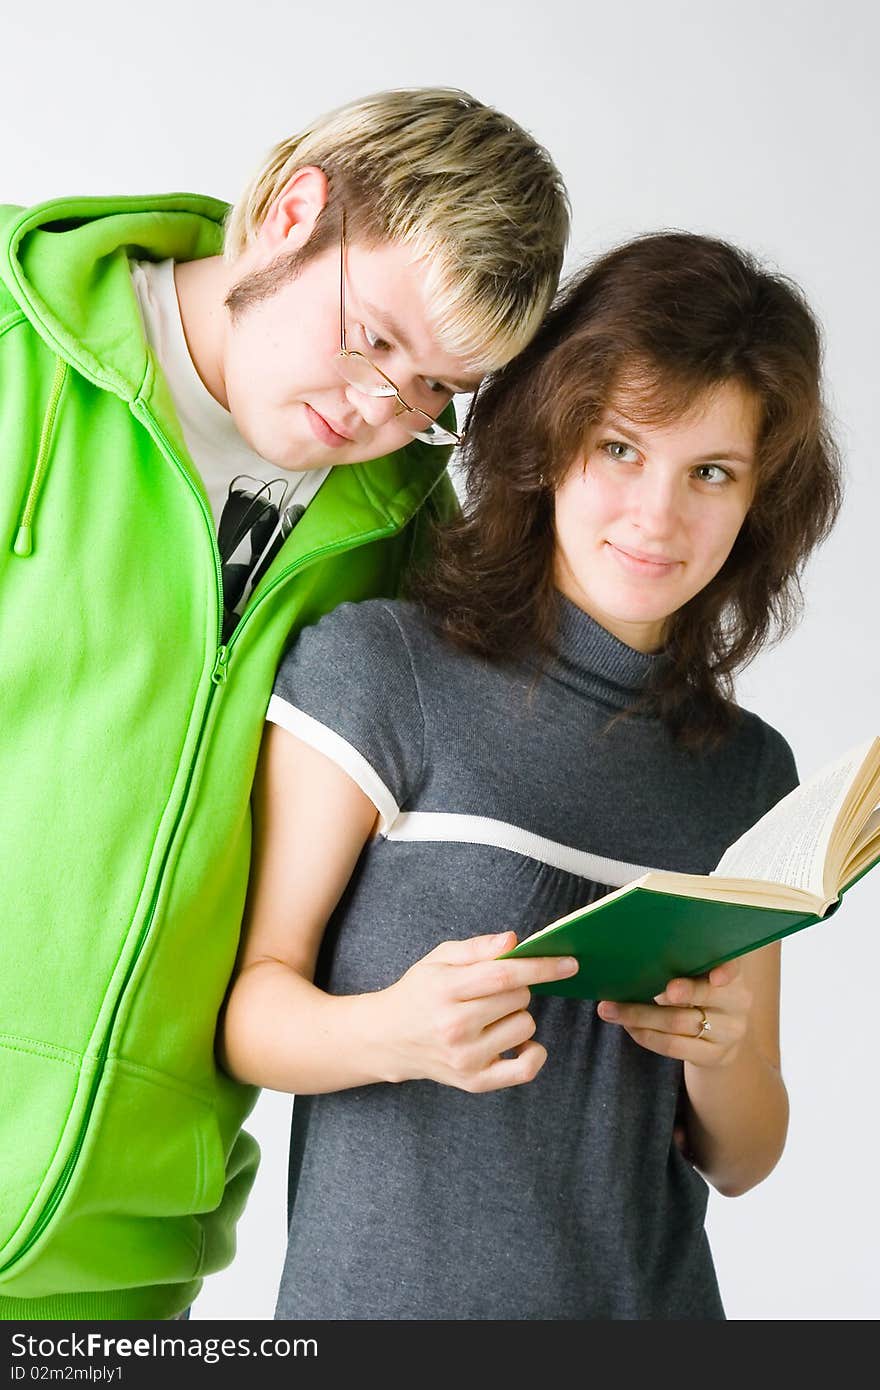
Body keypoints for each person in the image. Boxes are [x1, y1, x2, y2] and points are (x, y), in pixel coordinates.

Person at [0, 87, 570, 1321]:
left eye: (436, 392)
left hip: (123, 1271)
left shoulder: (414, 544)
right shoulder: (13, 345)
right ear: (291, 213)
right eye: (373, 340)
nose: (383, 414)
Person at [219, 230, 843, 1320]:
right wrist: (393, 1031)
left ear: (758, 504)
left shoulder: (749, 771)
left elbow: (743, 1156)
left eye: (710, 472)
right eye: (618, 449)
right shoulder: (381, 671)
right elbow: (247, 1013)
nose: (658, 516)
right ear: (550, 441)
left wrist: (721, 1051)